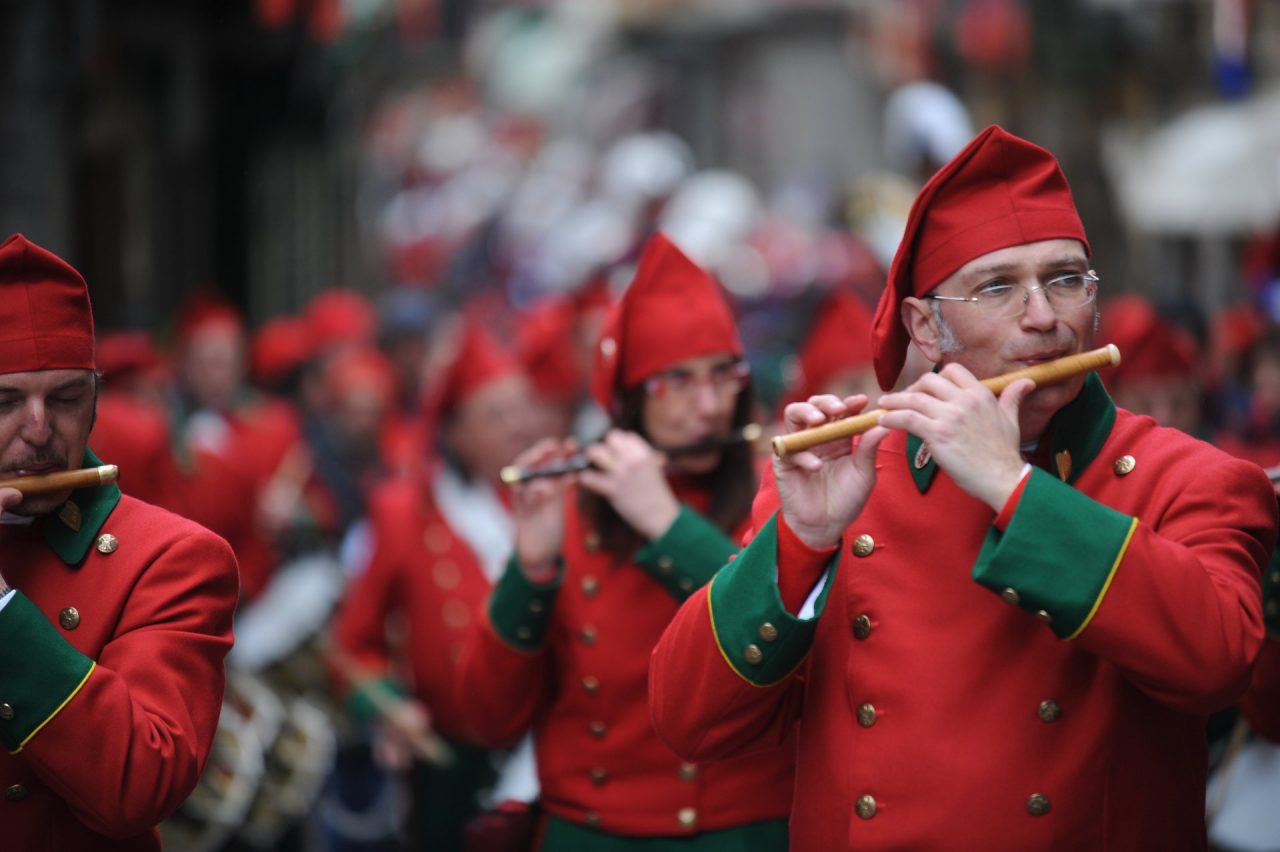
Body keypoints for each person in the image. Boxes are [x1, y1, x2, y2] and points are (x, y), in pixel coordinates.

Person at [649, 126, 1279, 850]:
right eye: (998, 287)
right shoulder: (849, 478)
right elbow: (689, 722)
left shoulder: (1194, 477)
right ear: (925, 327)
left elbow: (1217, 664)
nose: (1043, 316)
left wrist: (1013, 486)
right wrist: (800, 542)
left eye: (1066, 279)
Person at [454, 232, 793, 850]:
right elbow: (487, 716)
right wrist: (530, 568)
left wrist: (666, 523)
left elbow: (791, 652)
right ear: (630, 400)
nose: (709, 406)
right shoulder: (575, 509)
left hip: (746, 834)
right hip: (594, 833)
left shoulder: (784, 491)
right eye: (677, 382)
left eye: (723, 376)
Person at [0, 233, 239, 850]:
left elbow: (140, 782)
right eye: (5, 402)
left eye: (65, 398)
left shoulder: (174, 558)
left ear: (97, 403)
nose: (38, 430)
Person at [330, 322, 540, 852]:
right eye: (496, 414)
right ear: (456, 433)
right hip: (449, 765)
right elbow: (353, 647)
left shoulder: (553, 499)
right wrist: (390, 707)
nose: (519, 426)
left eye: (523, 408)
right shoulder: (405, 512)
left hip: (547, 753)